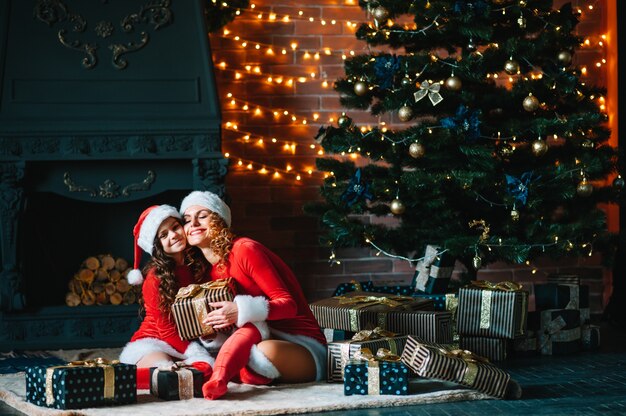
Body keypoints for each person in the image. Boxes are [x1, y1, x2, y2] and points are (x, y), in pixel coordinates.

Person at [180, 191, 327, 400]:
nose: (193, 223)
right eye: (186, 220)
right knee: (245, 340)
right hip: (254, 340)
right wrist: (214, 330)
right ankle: (229, 377)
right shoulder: (206, 271)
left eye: (202, 216)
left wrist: (241, 310)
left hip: (301, 344)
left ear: (219, 221)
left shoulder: (245, 249)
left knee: (261, 349)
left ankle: (228, 375)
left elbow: (288, 305)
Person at [118, 204, 215, 388]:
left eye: (175, 227)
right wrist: (195, 352)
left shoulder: (195, 265)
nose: (173, 235)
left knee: (204, 371)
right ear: (157, 245)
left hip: (185, 341)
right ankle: (120, 378)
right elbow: (165, 329)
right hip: (154, 342)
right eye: (164, 235)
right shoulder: (155, 277)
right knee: (166, 372)